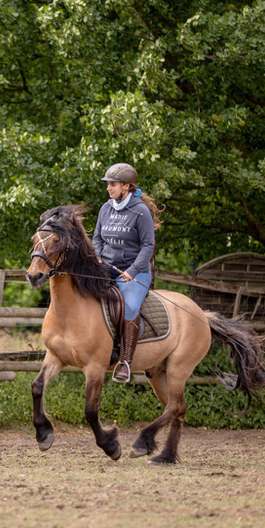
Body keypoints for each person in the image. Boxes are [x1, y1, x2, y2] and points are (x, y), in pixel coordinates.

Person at [92, 163, 162, 383]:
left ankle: (126, 362)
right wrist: (98, 256)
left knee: (129, 306)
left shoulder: (140, 211)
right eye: (108, 185)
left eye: (112, 184)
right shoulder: (106, 208)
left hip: (135, 272)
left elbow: (148, 246)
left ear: (126, 186)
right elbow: (97, 238)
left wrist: (132, 271)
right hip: (107, 269)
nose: (108, 188)